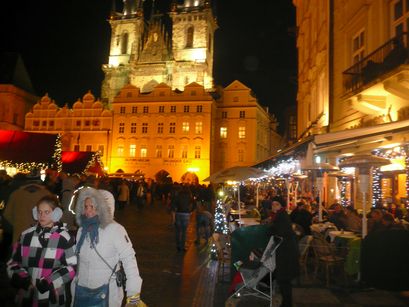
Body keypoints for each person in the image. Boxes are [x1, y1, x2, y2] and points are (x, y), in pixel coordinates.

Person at [72, 187, 143, 307]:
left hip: (107, 294)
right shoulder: (81, 230)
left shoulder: (115, 230)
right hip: (81, 292)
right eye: (86, 206)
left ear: (104, 208)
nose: (88, 211)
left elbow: (129, 260)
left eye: (93, 207)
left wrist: (133, 295)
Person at [7, 195, 76, 306]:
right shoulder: (25, 235)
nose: (42, 215)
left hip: (52, 295)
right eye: (39, 212)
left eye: (46, 212)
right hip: (27, 294)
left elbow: (72, 267)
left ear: (56, 213)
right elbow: (13, 262)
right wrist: (23, 280)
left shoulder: (64, 238)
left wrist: (49, 282)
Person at [268, 198, 299, 307]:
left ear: (281, 206)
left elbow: (280, 233)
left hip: (286, 253)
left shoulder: (282, 216)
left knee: (284, 280)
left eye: (276, 204)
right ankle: (286, 302)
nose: (274, 206)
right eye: (272, 204)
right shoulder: (279, 215)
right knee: (283, 280)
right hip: (285, 252)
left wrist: (270, 230)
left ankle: (287, 303)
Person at [171, 185, 193, 252]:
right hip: (186, 214)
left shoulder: (177, 196)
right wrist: (190, 211)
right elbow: (194, 204)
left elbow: (173, 205)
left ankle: (178, 246)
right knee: (184, 232)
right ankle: (183, 247)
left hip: (178, 214)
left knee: (178, 231)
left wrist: (174, 216)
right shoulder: (190, 197)